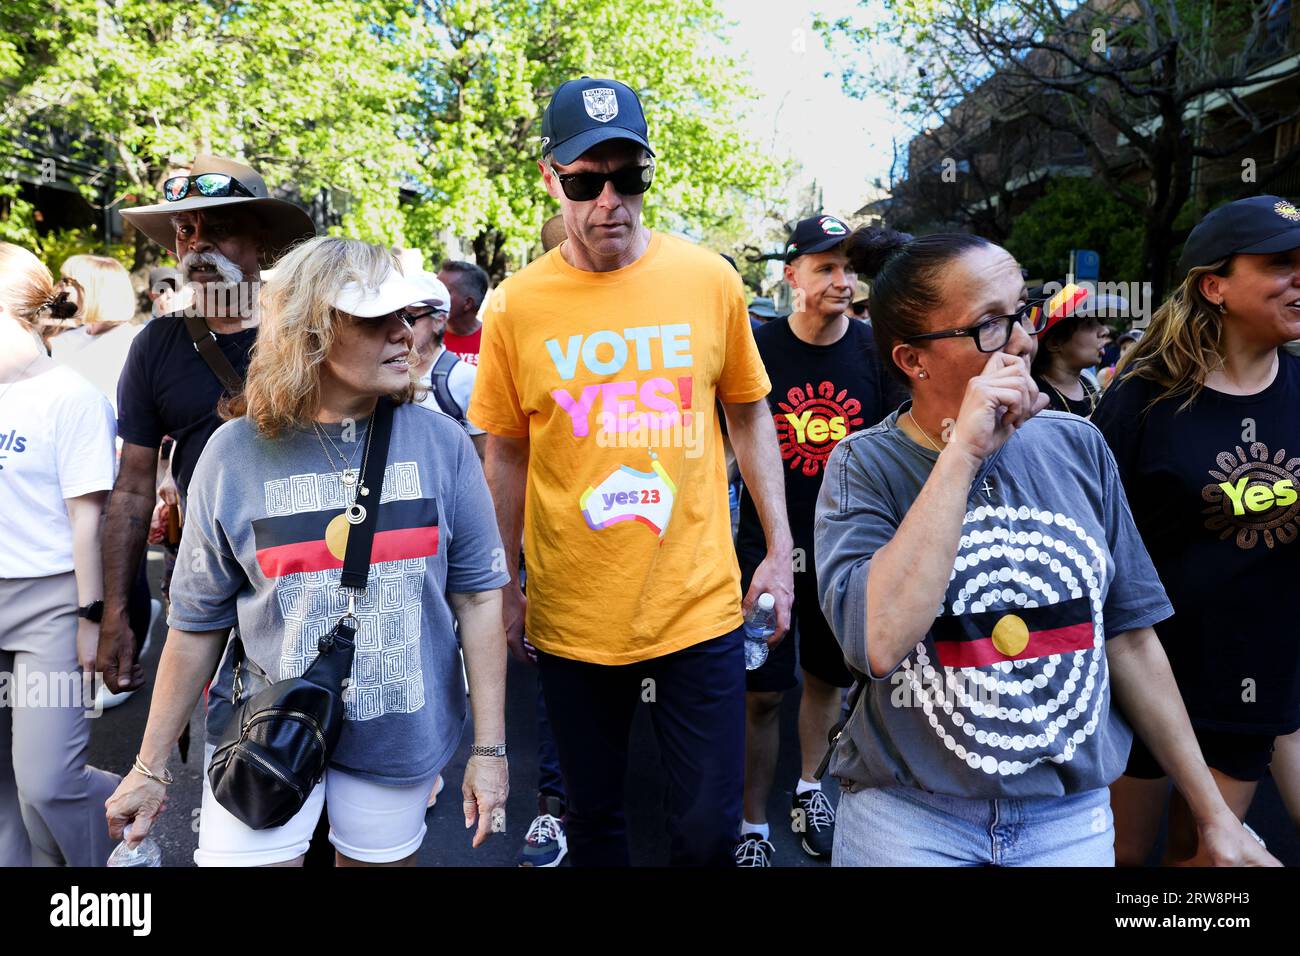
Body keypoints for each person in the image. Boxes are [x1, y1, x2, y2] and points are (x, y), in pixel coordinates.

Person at [813, 224, 1278, 867]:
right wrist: (963, 454)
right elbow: (878, 642)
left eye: (1022, 311)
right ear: (913, 361)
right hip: (908, 819)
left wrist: (1213, 816)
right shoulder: (862, 466)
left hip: (1068, 820)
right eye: (991, 325)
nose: (1026, 340)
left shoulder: (1079, 445)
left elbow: (1130, 637)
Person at [103, 236, 511, 866]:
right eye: (377, 319)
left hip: (397, 736)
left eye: (407, 316)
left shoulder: (443, 445)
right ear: (311, 331)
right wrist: (150, 768)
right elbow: (194, 624)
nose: (405, 334)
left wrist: (489, 753)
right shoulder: (233, 453)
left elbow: (480, 599)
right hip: (266, 730)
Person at [471, 76, 794, 867]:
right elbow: (505, 451)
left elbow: (749, 414)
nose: (609, 200)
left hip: (699, 606)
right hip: (575, 614)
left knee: (707, 834)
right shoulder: (515, 307)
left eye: (629, 176)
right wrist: (501, 583)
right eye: (586, 180)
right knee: (595, 827)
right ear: (551, 178)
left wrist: (780, 552)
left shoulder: (709, 280)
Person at [1094, 195, 1300, 865]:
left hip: (1257, 678)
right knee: (1123, 859)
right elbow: (1090, 538)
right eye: (1280, 264)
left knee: (1202, 859)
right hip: (1147, 678)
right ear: (1215, 285)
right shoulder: (1140, 400)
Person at [98, 155, 316, 696]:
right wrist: (115, 612)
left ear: (261, 242)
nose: (198, 243)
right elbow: (131, 488)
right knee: (222, 731)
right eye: (186, 229)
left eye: (219, 228)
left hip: (309, 563)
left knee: (312, 717)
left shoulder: (313, 332)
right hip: (204, 565)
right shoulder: (155, 344)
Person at [733, 214, 902, 866]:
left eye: (849, 268)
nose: (842, 280)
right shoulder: (757, 349)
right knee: (762, 693)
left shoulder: (872, 349)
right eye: (826, 267)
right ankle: (752, 823)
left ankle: (810, 787)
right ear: (792, 275)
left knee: (826, 682)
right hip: (765, 548)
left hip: (845, 550)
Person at [0, 242, 120, 866]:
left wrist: (89, 621)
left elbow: (87, 523)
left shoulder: (71, 398)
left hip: (49, 603)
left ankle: (128, 813)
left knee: (47, 781)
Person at [407, 272, 487, 460]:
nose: (401, 327)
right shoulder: (379, 373)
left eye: (410, 318)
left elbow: (483, 456)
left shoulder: (466, 377)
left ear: (439, 321)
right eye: (395, 316)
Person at [1030, 283, 1107, 417]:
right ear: (1054, 342)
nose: (1104, 331)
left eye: (1099, 322)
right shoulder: (1033, 396)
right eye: (1089, 323)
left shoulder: (1089, 382)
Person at [48, 254, 137, 359]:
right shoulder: (69, 337)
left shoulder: (130, 343)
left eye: (66, 281)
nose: (57, 288)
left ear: (93, 290)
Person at [436, 260, 489, 365]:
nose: (435, 295)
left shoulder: (494, 341)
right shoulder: (427, 336)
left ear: (468, 303)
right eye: (436, 289)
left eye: (444, 291)